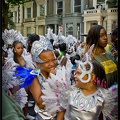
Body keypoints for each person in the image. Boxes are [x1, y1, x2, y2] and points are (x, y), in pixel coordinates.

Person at [29, 38, 65, 120]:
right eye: (46, 62)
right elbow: (41, 104)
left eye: (53, 60)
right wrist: (50, 80)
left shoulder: (59, 71)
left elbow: (65, 98)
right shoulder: (34, 76)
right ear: (38, 63)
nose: (52, 64)